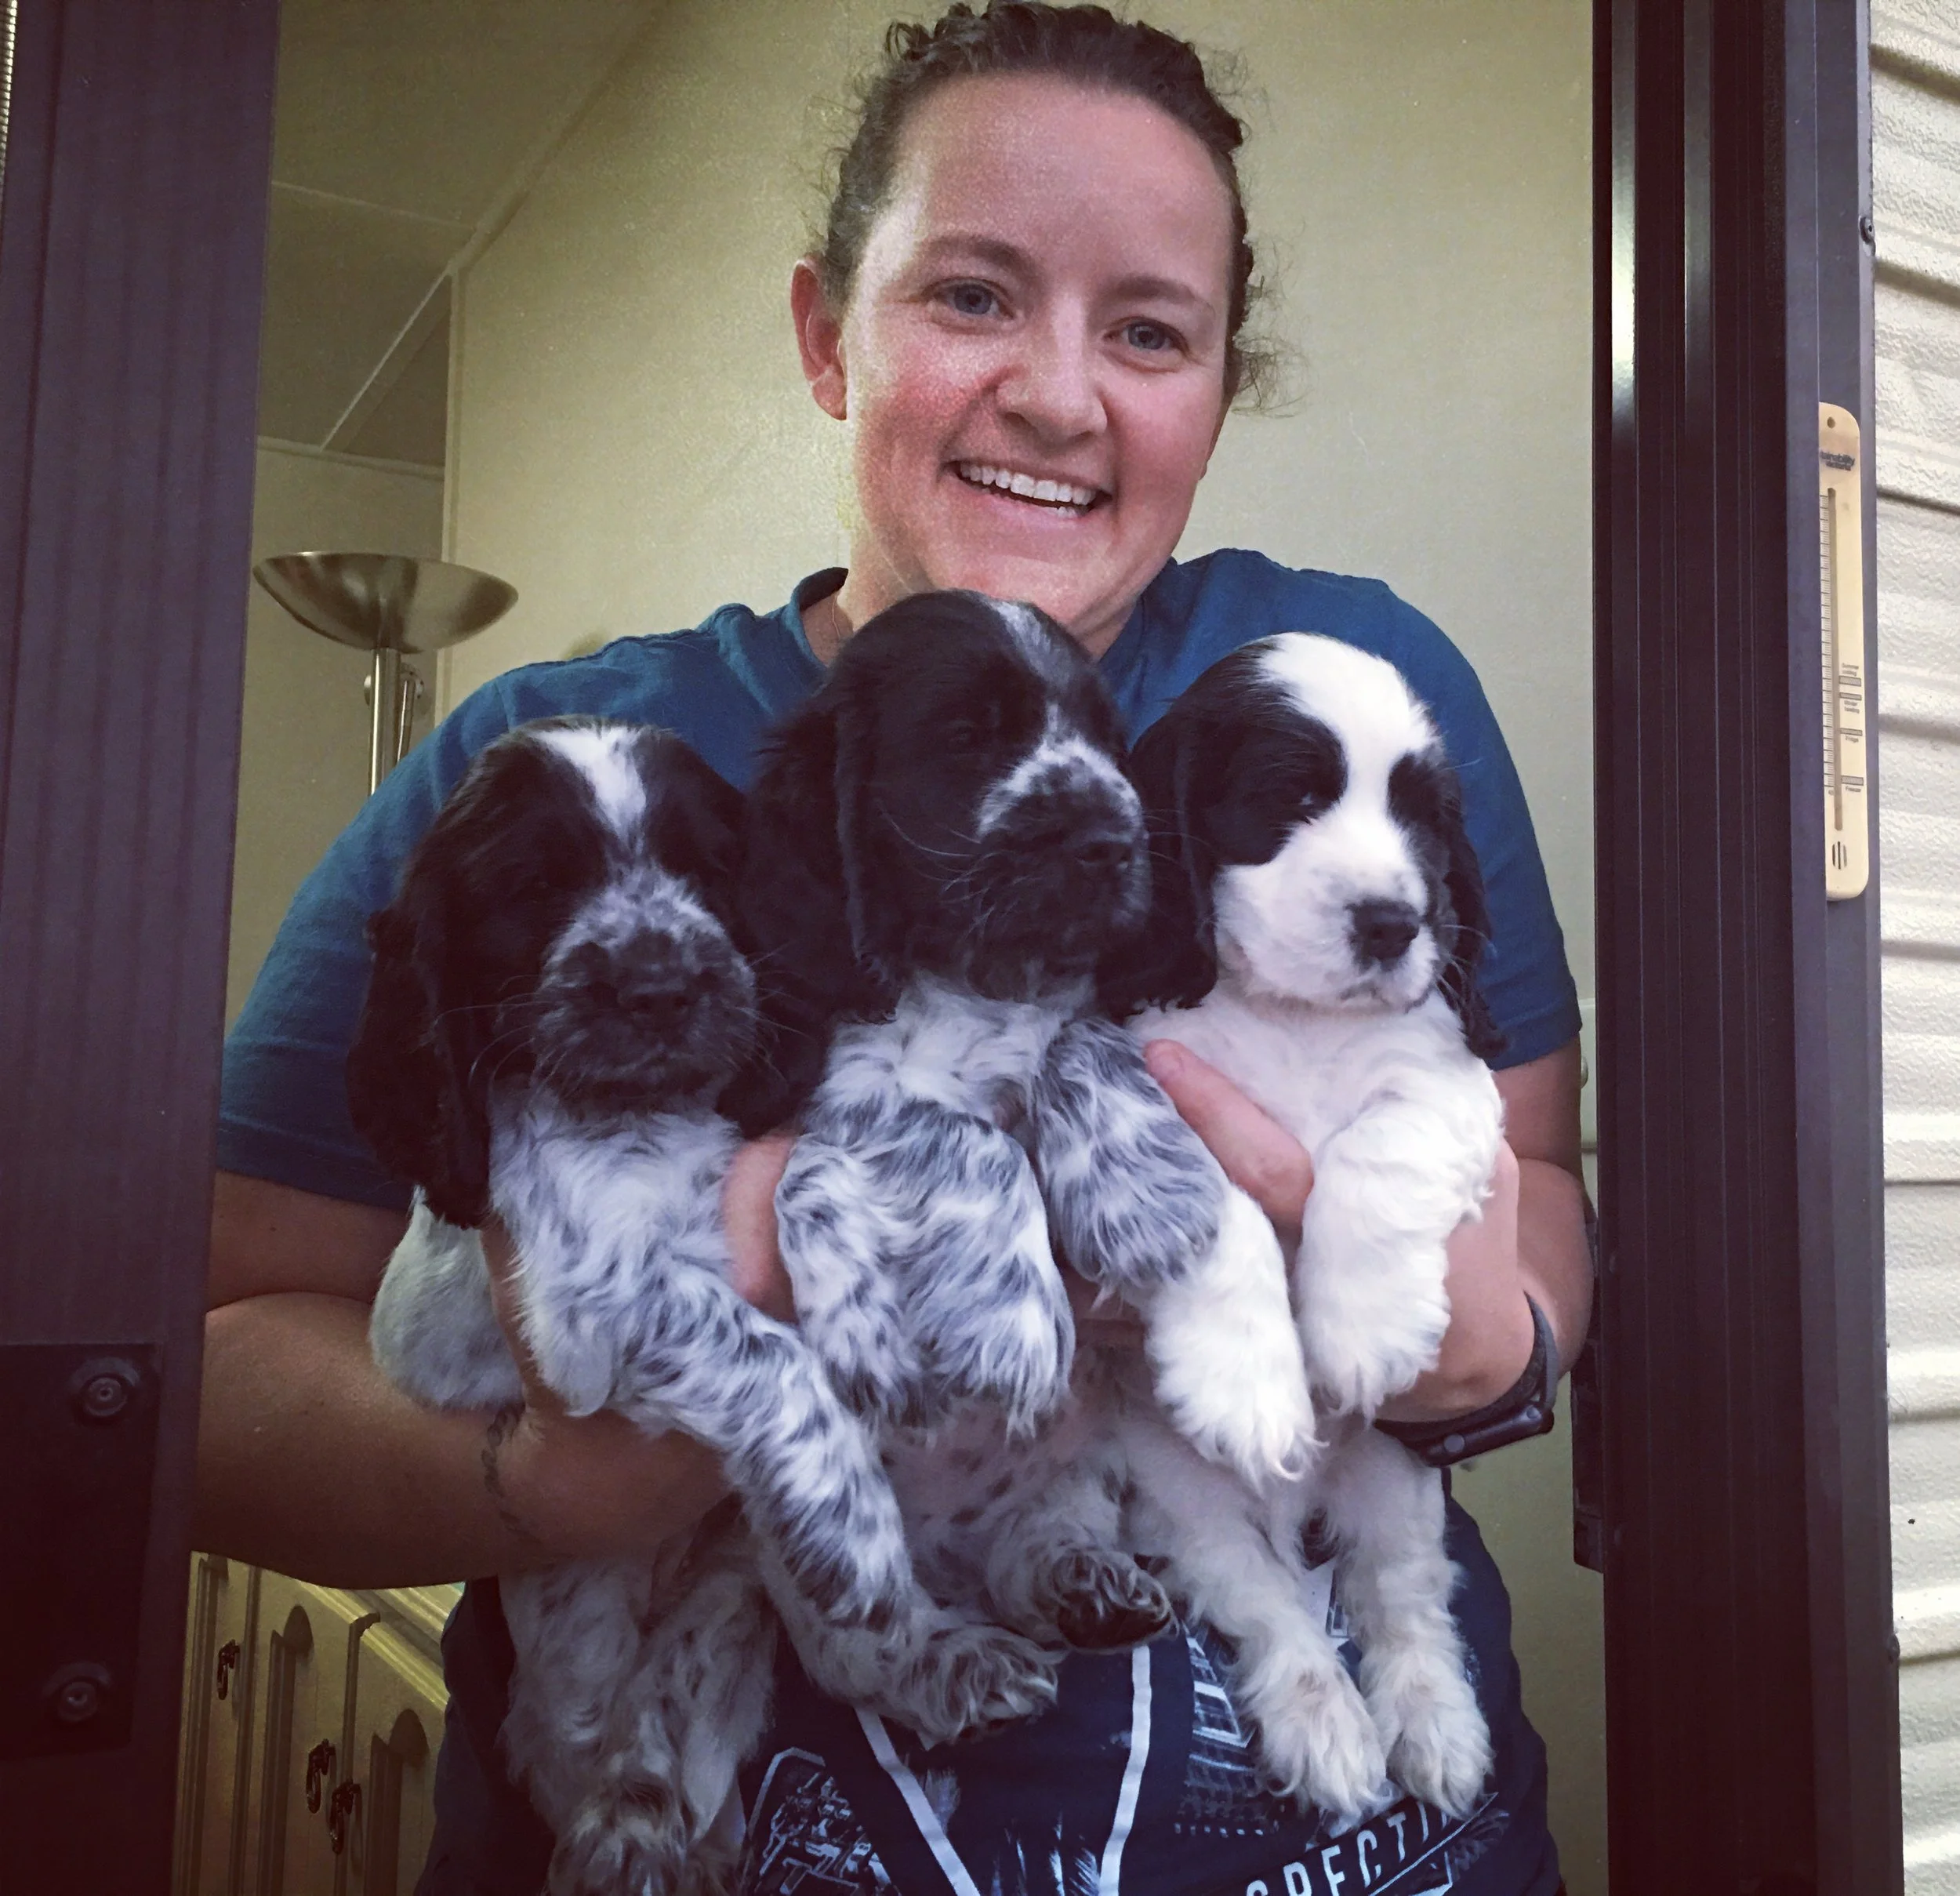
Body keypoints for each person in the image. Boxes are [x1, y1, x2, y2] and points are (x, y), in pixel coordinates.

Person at [205, 7, 1590, 1892]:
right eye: (971, 295)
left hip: (1364, 1809)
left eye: (1149, 332)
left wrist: (1472, 1354)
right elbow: (215, 1347)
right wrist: (544, 1485)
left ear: (1211, 390)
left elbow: (1524, 1180)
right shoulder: (552, 766)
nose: (1058, 394)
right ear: (820, 333)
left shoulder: (1343, 693)